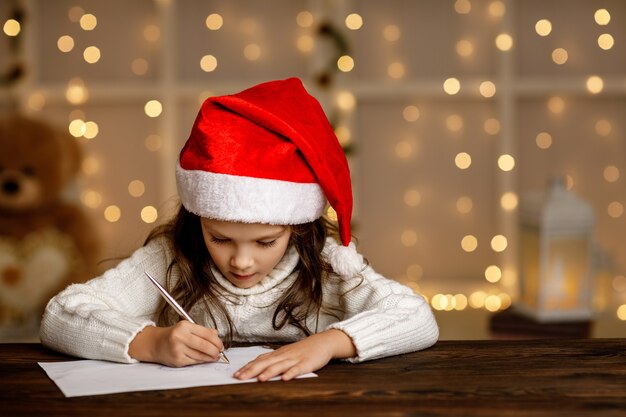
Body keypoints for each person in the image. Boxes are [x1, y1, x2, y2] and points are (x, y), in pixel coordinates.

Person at [40, 77, 439, 381]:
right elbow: (60, 316)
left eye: (266, 242)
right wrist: (152, 342)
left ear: (297, 229)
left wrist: (330, 343)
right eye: (220, 238)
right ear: (198, 222)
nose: (242, 260)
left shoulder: (325, 263)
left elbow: (415, 316)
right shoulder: (171, 256)